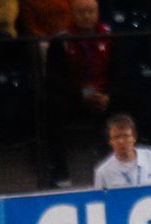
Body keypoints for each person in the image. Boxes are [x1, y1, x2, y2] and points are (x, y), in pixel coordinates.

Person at [45, 0, 117, 183]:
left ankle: (118, 166)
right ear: (73, 14)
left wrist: (107, 95)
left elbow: (119, 72)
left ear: (97, 12)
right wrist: (80, 96)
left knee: (129, 99)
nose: (86, 16)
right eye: (81, 12)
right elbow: (53, 78)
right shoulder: (61, 40)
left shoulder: (110, 36)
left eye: (90, 11)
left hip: (102, 96)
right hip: (73, 97)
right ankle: (59, 170)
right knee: (52, 105)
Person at [92, 111, 151, 186]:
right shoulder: (103, 172)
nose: (121, 141)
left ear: (134, 137)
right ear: (110, 142)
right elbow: (100, 197)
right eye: (116, 137)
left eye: (125, 136)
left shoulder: (149, 157)